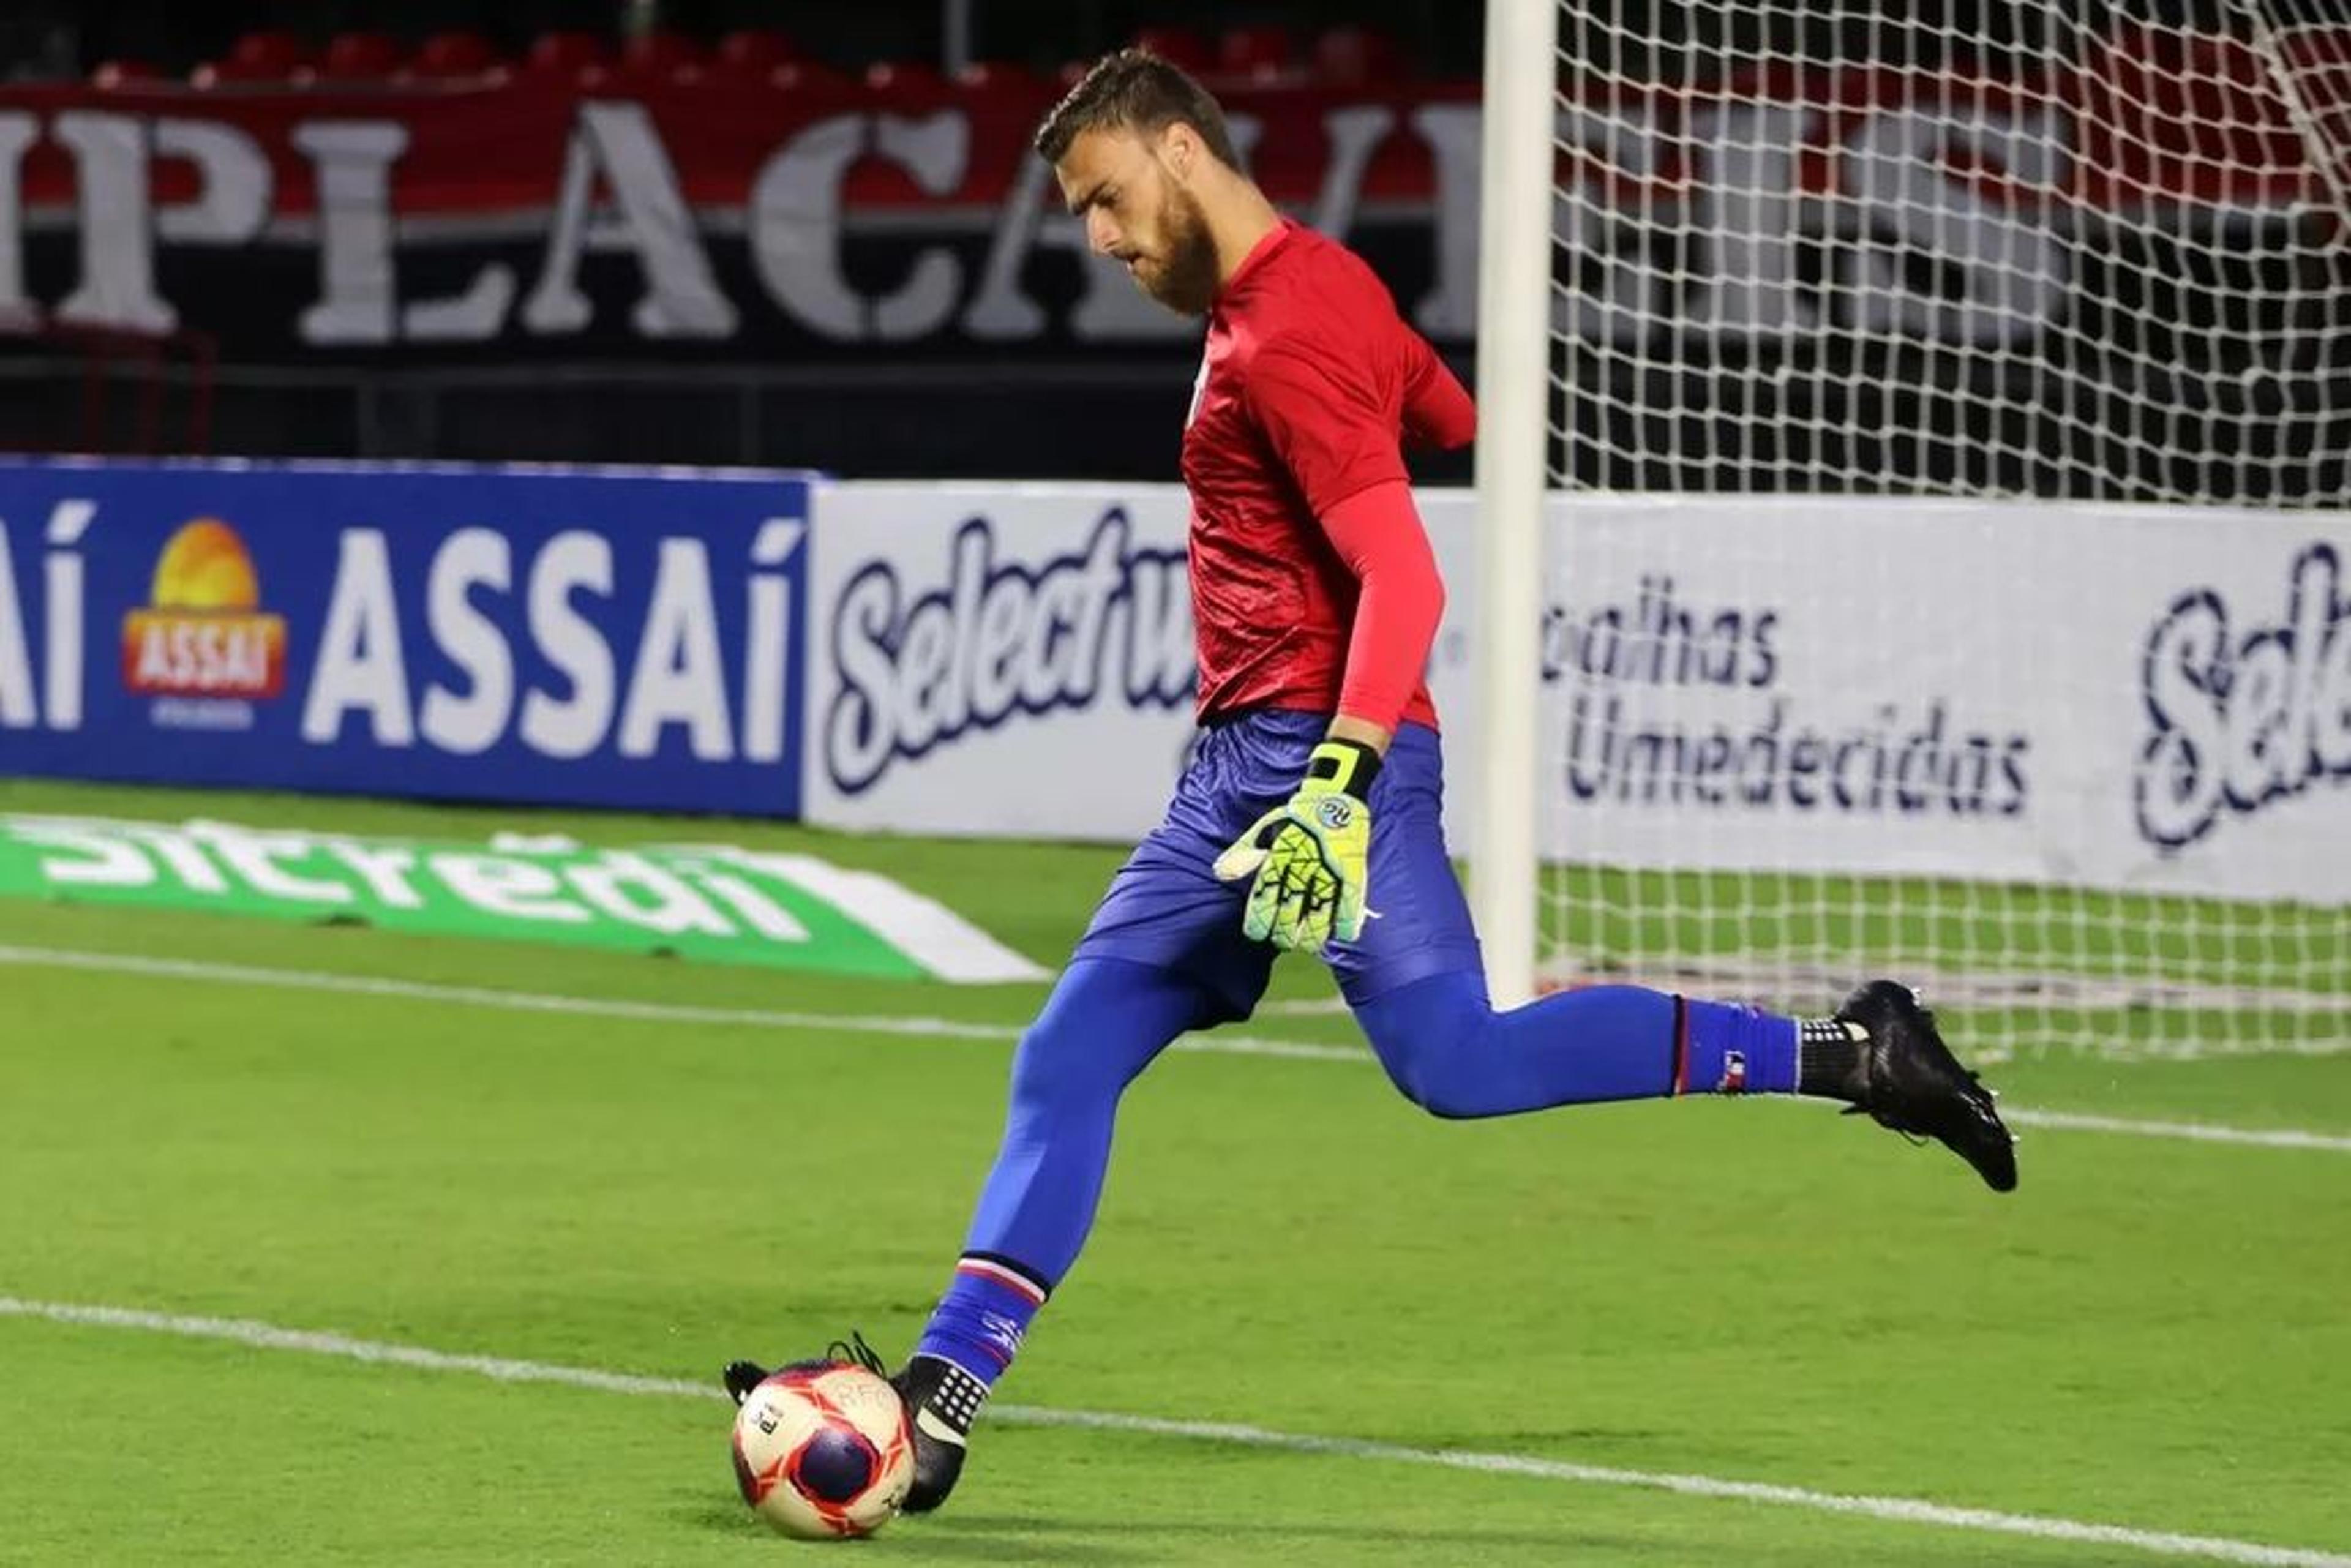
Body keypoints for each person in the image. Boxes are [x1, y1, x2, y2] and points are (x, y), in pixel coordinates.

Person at [726, 48, 2015, 1514]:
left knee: (1457, 1066)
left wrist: (1337, 786)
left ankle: (1861, 1059)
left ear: (1182, 152)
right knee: (1070, 1057)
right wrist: (1399, 418)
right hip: (1234, 776)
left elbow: (1402, 569)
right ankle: (943, 1404)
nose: (1096, 236)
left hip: (1320, 762)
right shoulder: (1299, 302)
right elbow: (1455, 419)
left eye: (1105, 197)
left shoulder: (1285, 332)